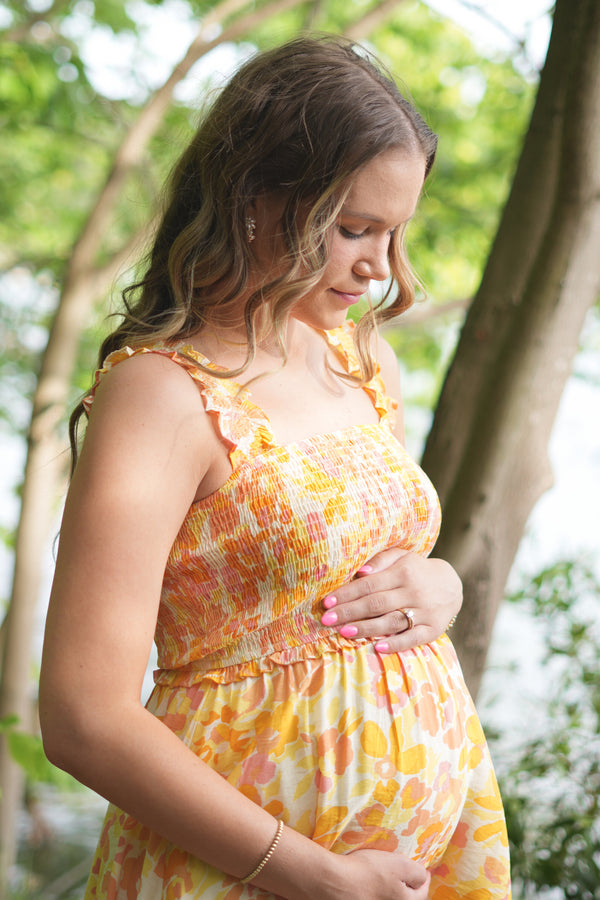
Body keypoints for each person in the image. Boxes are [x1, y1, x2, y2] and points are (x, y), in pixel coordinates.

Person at [39, 35, 510, 900]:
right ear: (255, 197)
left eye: (396, 230)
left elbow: (358, 569)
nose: (381, 268)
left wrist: (441, 587)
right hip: (244, 873)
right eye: (354, 229)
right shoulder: (161, 394)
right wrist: (317, 875)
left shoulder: (362, 361)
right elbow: (80, 716)